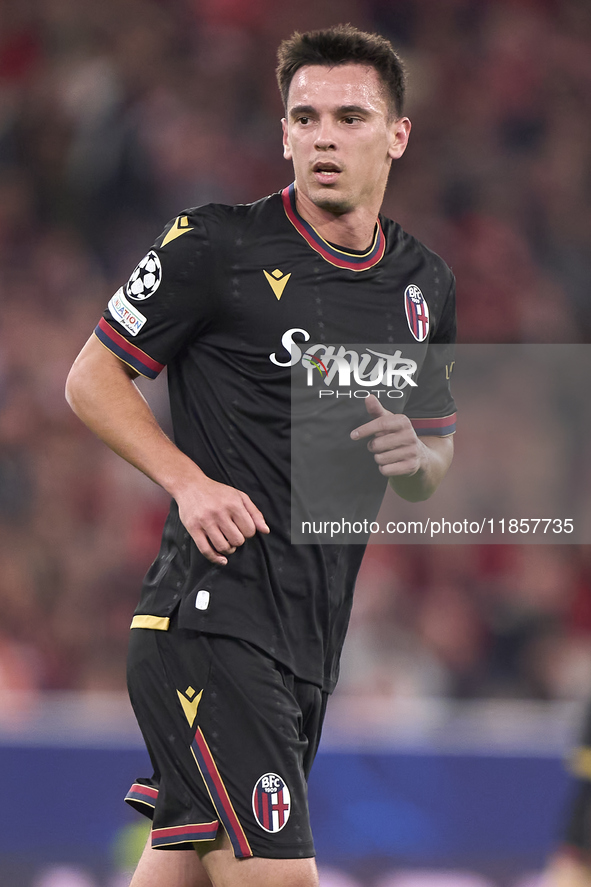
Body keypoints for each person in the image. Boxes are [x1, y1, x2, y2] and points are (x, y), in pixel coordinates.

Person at [66, 24, 457, 887]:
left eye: (349, 117)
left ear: (396, 134)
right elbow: (90, 379)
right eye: (305, 116)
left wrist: (413, 455)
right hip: (210, 617)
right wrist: (188, 481)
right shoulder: (214, 245)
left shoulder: (424, 286)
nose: (323, 136)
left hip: (308, 639)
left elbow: (430, 462)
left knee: (183, 873)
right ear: (282, 133)